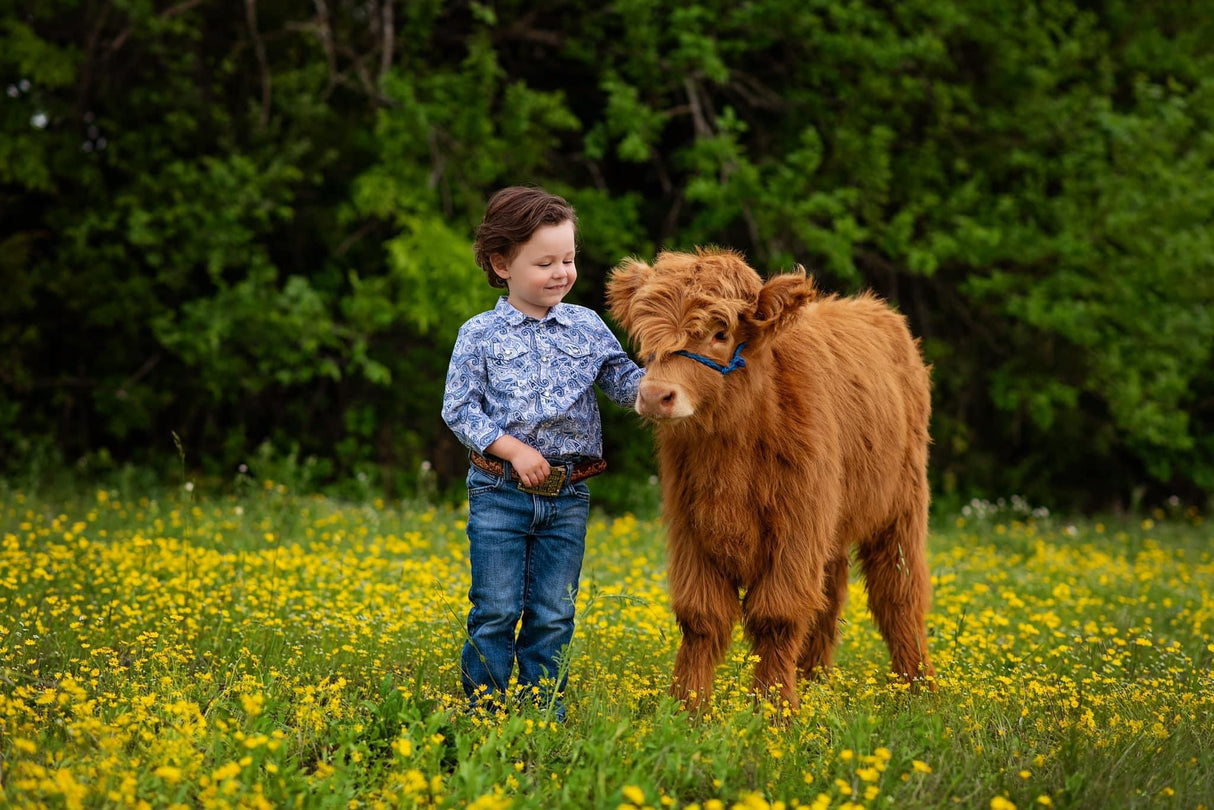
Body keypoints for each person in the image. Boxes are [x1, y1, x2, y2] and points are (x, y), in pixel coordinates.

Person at [441, 186, 644, 719]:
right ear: (501, 264)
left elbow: (623, 382)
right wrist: (513, 451)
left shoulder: (587, 327)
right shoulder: (479, 335)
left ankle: (541, 714)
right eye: (545, 262)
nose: (561, 273)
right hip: (500, 491)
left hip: (567, 494)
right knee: (495, 609)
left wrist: (661, 388)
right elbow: (459, 410)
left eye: (569, 259)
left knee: (553, 612)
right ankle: (484, 712)